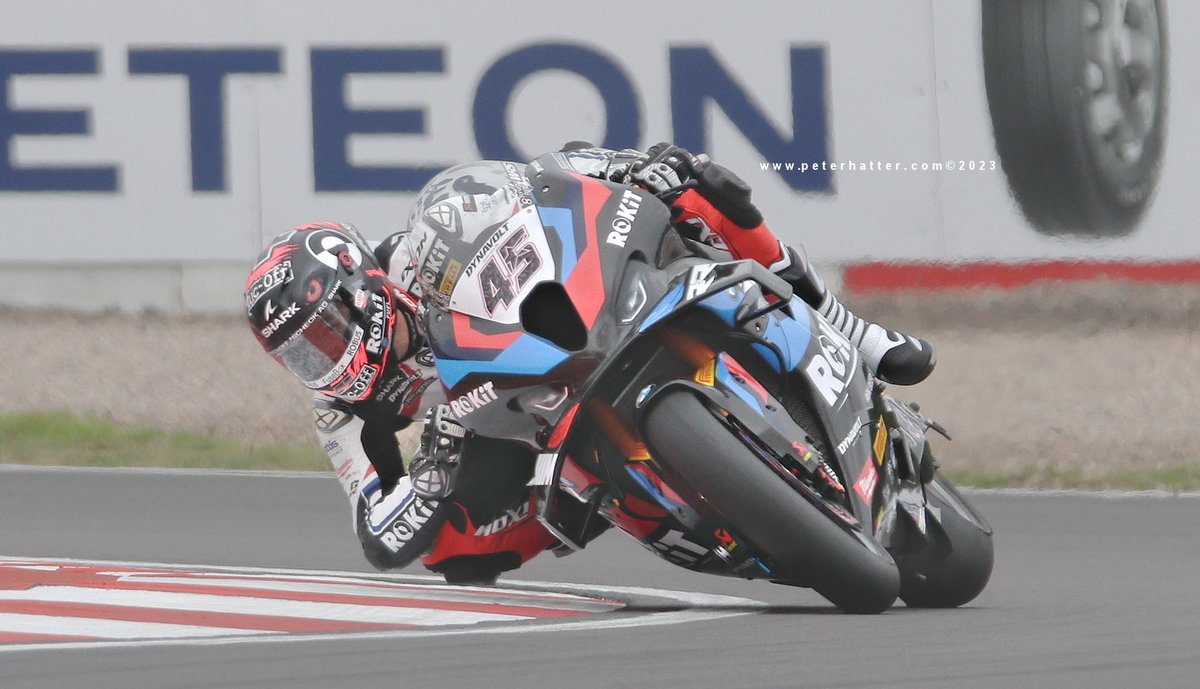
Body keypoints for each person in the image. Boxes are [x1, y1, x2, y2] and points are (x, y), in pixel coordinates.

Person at [243, 142, 936, 584]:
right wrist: (429, 472)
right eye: (301, 353)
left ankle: (846, 324)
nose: (324, 358)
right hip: (516, 425)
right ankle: (579, 505)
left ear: (360, 288)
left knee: (692, 180)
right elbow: (379, 536)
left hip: (571, 319)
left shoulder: (422, 245)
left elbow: (534, 182)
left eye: (326, 333)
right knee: (447, 553)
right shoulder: (339, 412)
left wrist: (623, 170)